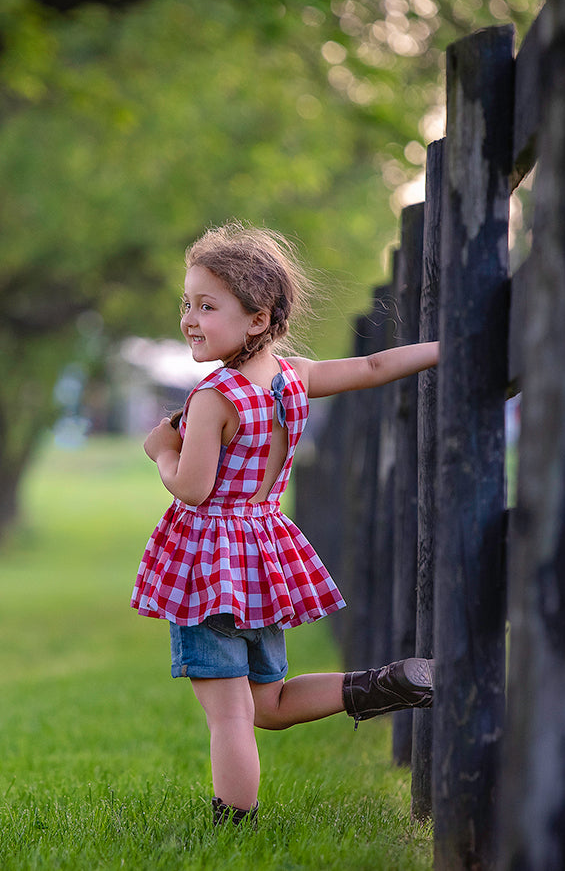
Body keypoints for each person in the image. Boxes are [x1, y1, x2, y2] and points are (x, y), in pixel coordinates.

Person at [131, 222, 439, 828]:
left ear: (256, 318)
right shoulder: (292, 378)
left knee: (230, 715)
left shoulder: (214, 397)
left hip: (211, 569)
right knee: (265, 703)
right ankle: (378, 685)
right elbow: (376, 366)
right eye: (186, 304)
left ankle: (233, 823)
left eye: (207, 305)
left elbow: (192, 488)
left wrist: (160, 454)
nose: (190, 318)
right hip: (263, 555)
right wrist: (444, 348)